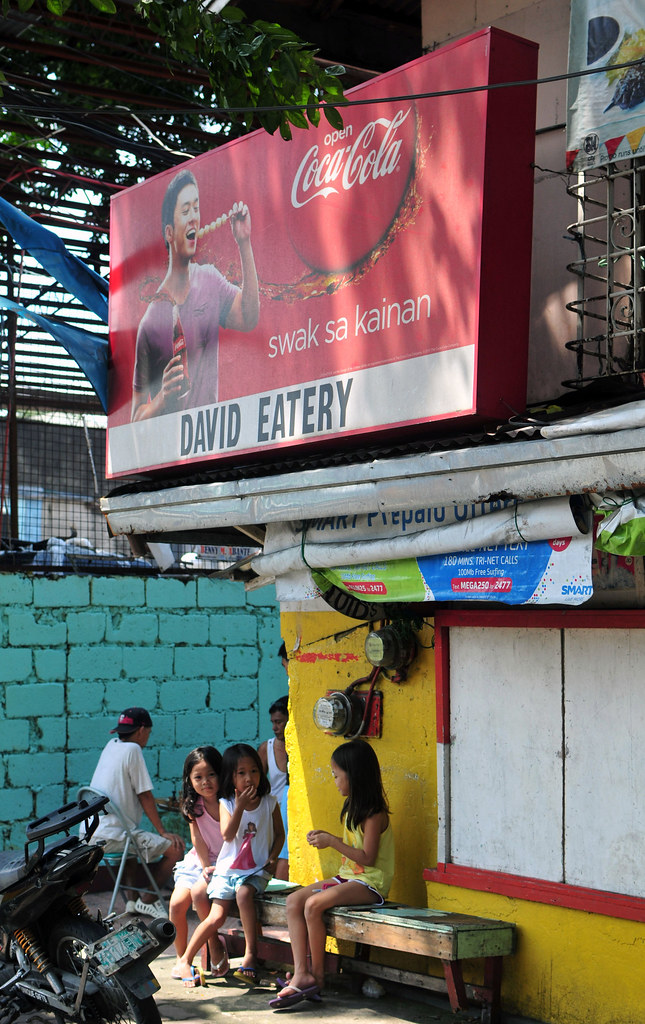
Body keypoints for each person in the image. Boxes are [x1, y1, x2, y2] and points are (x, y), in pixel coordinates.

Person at [269, 740, 394, 1009]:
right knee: (293, 901)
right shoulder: (351, 807)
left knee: (313, 905)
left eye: (337, 775)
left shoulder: (374, 814)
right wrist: (330, 838)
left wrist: (332, 842)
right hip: (349, 877)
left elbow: (368, 859)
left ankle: (318, 977)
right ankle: (302, 972)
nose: (334, 780)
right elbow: (357, 848)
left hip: (370, 884)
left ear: (355, 775)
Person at [131, 167, 259, 420]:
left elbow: (249, 318)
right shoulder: (149, 322)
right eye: (185, 211)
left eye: (196, 208)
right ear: (169, 233)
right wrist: (160, 399)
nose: (194, 218)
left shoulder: (210, 279)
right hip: (170, 453)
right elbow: (134, 421)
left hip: (211, 445)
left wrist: (244, 242)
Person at [175, 743, 284, 988]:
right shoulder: (228, 803)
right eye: (241, 773)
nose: (249, 778)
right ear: (231, 777)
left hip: (255, 871)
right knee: (216, 916)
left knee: (245, 894)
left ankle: (250, 956)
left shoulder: (270, 802)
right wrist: (241, 808)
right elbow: (227, 834)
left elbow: (280, 835)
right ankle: (185, 959)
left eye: (254, 771)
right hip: (229, 871)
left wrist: (274, 857)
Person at [88, 707, 185, 919]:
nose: (148, 737)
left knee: (132, 839)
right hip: (113, 836)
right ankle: (147, 900)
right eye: (148, 732)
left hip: (92, 833)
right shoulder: (133, 749)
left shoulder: (112, 746)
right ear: (142, 730)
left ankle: (132, 902)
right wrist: (162, 831)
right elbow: (144, 795)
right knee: (176, 849)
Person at [169, 746, 228, 980]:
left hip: (227, 861)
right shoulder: (194, 805)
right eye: (198, 777)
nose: (206, 782)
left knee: (198, 895)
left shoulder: (230, 802)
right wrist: (205, 867)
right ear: (190, 780)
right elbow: (198, 840)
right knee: (175, 905)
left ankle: (213, 942)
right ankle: (182, 960)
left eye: (211, 774)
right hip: (199, 861)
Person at [258, 693, 289, 880]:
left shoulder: (299, 748)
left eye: (279, 722)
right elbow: (257, 784)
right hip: (273, 813)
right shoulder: (266, 748)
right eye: (273, 722)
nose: (275, 728)